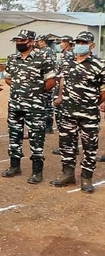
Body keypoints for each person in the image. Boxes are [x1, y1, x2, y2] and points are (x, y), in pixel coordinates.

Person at [50, 31, 105, 193]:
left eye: (84, 42)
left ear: (92, 45)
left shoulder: (99, 65)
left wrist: (98, 103)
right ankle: (68, 174)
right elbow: (62, 82)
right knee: (66, 145)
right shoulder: (67, 62)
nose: (80, 45)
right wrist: (59, 97)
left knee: (90, 147)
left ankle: (86, 177)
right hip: (67, 113)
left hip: (89, 114)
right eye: (78, 42)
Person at [1, 29, 55, 184]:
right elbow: (9, 79)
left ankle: (37, 171)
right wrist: (21, 88)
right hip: (15, 105)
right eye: (17, 40)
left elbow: (51, 82)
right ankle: (14, 166)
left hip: (35, 106)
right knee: (14, 137)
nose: (19, 43)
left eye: (22, 40)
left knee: (37, 138)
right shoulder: (13, 58)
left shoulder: (43, 57)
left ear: (31, 41)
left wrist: (34, 93)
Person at [51, 35, 78, 156]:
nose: (60, 44)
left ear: (67, 43)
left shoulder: (68, 55)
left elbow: (64, 77)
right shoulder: (68, 54)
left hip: (64, 91)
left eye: (61, 42)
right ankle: (71, 146)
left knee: (64, 120)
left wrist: (60, 96)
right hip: (64, 90)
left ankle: (68, 147)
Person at [35, 34, 55, 134]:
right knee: (47, 104)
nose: (36, 43)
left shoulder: (45, 51)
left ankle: (47, 126)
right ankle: (48, 126)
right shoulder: (50, 51)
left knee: (44, 104)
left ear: (43, 41)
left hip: (44, 80)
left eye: (38, 41)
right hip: (48, 78)